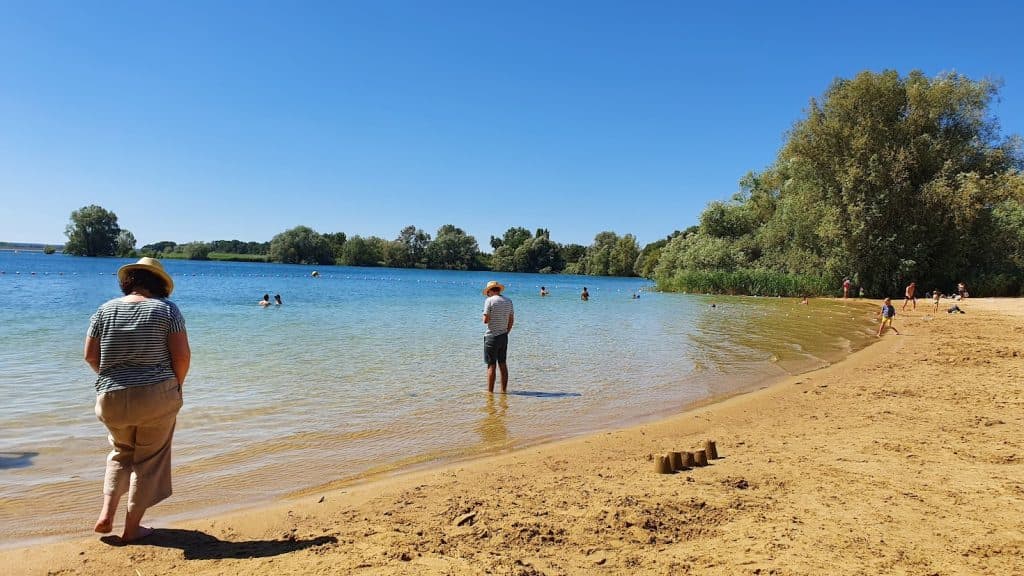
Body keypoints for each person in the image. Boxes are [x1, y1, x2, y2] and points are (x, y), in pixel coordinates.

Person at [84, 257, 190, 542]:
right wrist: (176, 386)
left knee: (120, 452)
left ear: (129, 281)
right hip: (156, 395)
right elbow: (181, 356)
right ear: (160, 284)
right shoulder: (167, 310)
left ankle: (106, 514)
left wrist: (114, 379)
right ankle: (131, 530)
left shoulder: (104, 310)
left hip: (110, 397)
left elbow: (90, 356)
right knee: (149, 461)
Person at [482, 280, 514, 393]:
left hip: (492, 336)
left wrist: (484, 315)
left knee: (491, 365)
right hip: (504, 336)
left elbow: (485, 321)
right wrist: (506, 332)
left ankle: (490, 393)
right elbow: (511, 320)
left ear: (490, 291)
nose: (487, 295)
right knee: (503, 363)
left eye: (487, 293)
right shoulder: (508, 301)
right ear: (499, 290)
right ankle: (503, 391)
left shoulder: (489, 301)